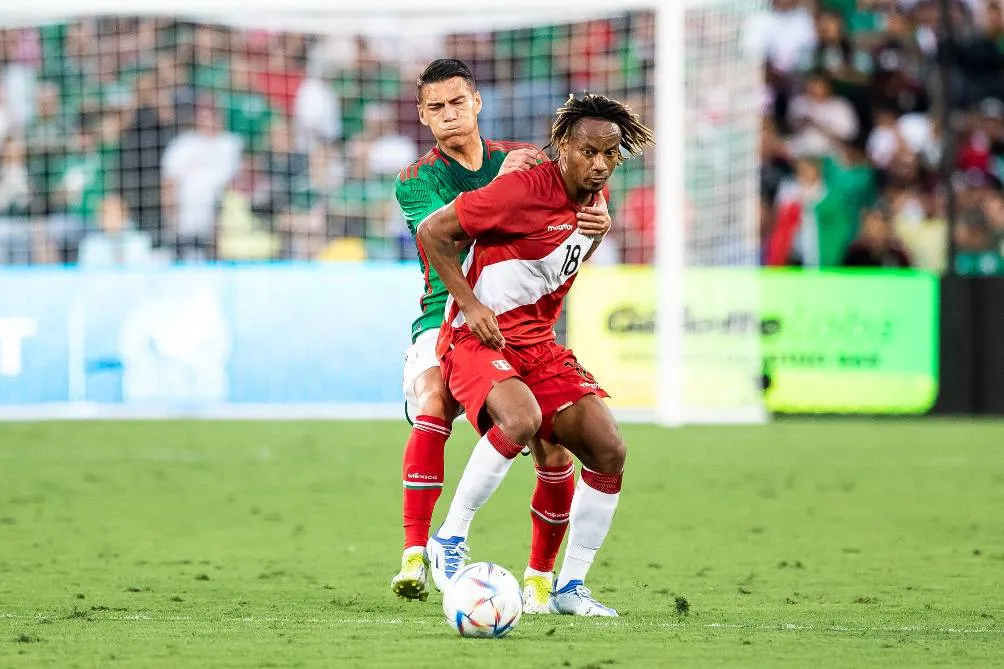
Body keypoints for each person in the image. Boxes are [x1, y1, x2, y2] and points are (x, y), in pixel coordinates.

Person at [417, 93, 654, 616]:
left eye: (609, 155)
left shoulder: (594, 199)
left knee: (608, 448)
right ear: (564, 145)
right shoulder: (522, 190)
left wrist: (598, 236)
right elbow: (432, 231)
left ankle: (569, 588)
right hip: (479, 338)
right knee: (520, 418)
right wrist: (469, 303)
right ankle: (449, 539)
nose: (599, 164)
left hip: (538, 346)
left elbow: (556, 261)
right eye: (589, 152)